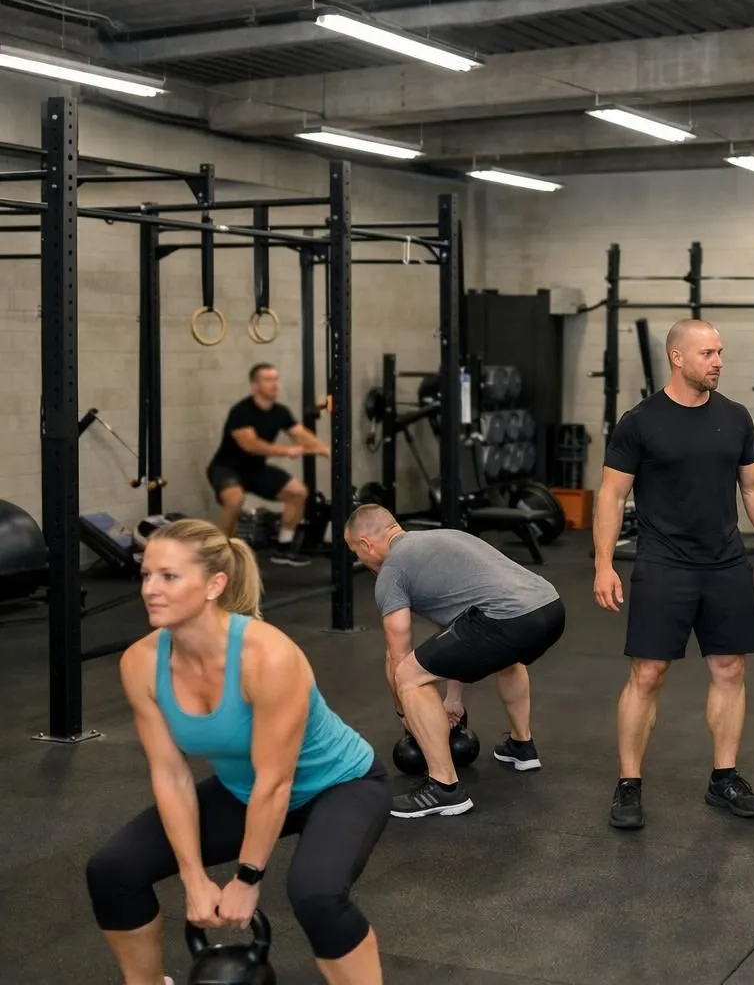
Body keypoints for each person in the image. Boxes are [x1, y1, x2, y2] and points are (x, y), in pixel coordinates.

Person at [85, 518, 389, 985]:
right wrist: (192, 877)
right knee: (113, 870)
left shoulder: (267, 657)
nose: (150, 589)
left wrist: (247, 878)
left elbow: (276, 781)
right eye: (146, 575)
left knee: (316, 895)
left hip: (340, 784)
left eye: (169, 577)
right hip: (244, 789)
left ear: (215, 585)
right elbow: (170, 774)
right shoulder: (141, 663)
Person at [594, 318, 754, 831]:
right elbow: (612, 494)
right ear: (677, 357)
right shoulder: (640, 422)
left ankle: (724, 778)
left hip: (725, 562)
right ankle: (629, 783)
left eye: (719, 352)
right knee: (647, 673)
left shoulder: (735, 417)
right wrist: (603, 563)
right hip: (663, 563)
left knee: (730, 669)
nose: (718, 361)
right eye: (707, 353)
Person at [344, 505, 566, 819]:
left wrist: (404, 713)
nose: (359, 559)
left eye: (355, 551)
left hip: (508, 620)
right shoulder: (443, 538)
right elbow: (457, 630)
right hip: (550, 607)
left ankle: (444, 788)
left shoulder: (393, 570)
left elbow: (398, 655)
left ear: (366, 544)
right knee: (508, 656)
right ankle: (522, 746)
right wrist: (453, 698)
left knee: (408, 675)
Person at [207, 363, 329, 567]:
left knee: (298, 492)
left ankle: (283, 548)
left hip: (256, 470)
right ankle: (219, 554)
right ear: (255, 385)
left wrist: (326, 449)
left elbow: (301, 435)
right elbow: (251, 445)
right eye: (268, 380)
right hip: (227, 467)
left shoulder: (280, 412)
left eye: (276, 379)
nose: (275, 384)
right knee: (235, 500)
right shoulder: (241, 411)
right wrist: (286, 450)